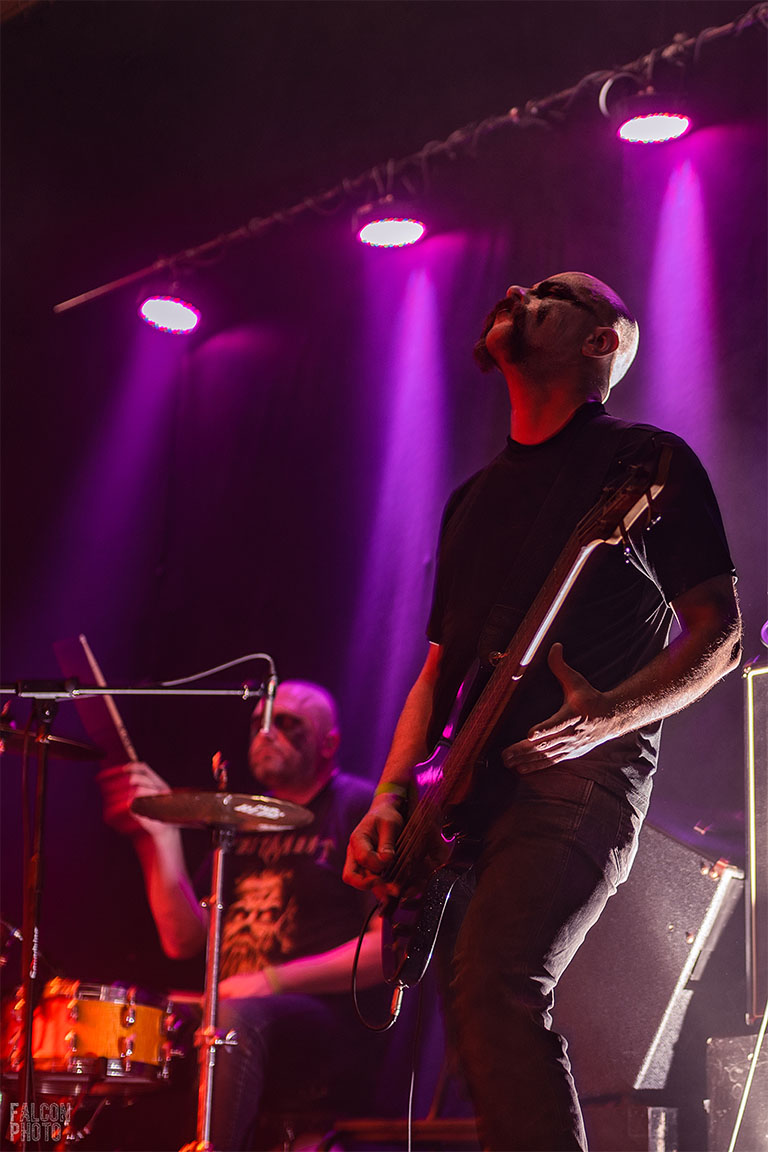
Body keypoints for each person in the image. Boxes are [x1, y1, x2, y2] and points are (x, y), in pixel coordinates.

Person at [344, 272, 742, 1151]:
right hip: (466, 789)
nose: (520, 288)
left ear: (602, 341)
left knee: (499, 981)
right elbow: (436, 672)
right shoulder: (471, 499)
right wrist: (389, 796)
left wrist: (605, 717)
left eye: (555, 293)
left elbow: (719, 636)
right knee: (476, 1020)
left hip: (580, 781)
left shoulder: (645, 462)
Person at [99, 679, 384, 1151]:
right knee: (131, 1014)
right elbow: (184, 940)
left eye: (287, 723)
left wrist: (270, 982)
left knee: (232, 1015)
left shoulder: (358, 807)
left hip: (324, 1020)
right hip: (234, 1010)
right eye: (258, 723)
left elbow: (387, 949)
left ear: (328, 744)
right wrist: (155, 838)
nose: (266, 732)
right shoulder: (242, 819)